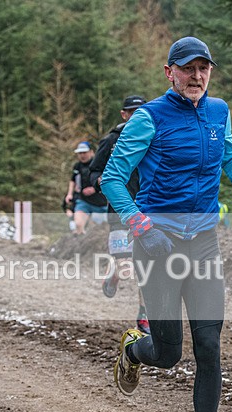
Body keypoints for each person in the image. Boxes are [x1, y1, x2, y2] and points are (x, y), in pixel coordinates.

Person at [101, 36, 232, 412]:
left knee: (210, 344)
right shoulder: (148, 117)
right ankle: (135, 352)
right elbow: (113, 178)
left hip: (204, 243)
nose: (197, 77)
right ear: (169, 72)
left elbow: (228, 153)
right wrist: (142, 227)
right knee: (169, 353)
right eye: (188, 69)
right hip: (158, 243)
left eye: (204, 69)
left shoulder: (218, 112)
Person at [90, 94, 150, 334]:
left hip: (147, 210)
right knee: (126, 265)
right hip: (118, 211)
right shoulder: (111, 140)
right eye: (132, 112)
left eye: (141, 111)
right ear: (124, 114)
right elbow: (93, 170)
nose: (137, 115)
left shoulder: (155, 138)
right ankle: (114, 274)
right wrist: (100, 180)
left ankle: (144, 315)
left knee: (147, 267)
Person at [65, 141, 107, 234]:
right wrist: (69, 194)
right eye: (80, 153)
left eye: (84, 152)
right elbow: (73, 180)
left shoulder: (100, 163)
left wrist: (95, 188)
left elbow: (108, 178)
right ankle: (80, 242)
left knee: (99, 230)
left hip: (101, 202)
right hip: (84, 201)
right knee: (78, 225)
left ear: (91, 152)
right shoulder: (77, 166)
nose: (82, 155)